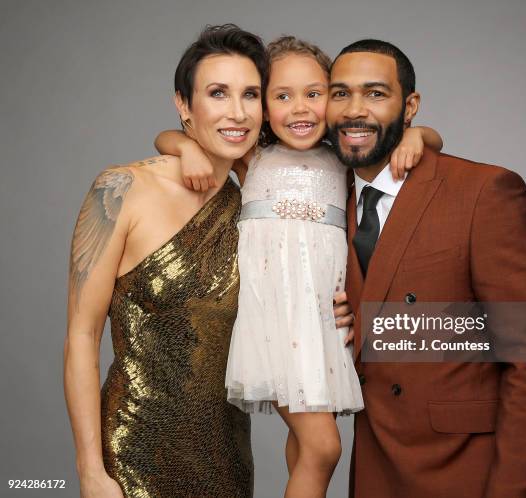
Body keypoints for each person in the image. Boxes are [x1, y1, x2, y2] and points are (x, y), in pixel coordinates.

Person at [154, 36, 443, 498]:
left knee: (306, 447)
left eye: (314, 93)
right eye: (282, 96)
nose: (300, 108)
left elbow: (431, 137)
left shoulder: (344, 160)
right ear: (263, 107)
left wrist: (415, 134)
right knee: (324, 447)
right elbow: (169, 136)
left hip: (322, 323)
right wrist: (185, 148)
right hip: (273, 319)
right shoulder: (252, 159)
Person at [325, 39, 526, 497]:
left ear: (409, 105)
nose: (355, 110)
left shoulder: (484, 191)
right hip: (376, 466)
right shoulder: (325, 198)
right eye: (340, 93)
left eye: (375, 94)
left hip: (467, 470)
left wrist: (514, 490)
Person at [64, 25, 268, 497]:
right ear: (184, 105)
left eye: (251, 95)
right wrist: (90, 472)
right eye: (218, 93)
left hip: (227, 459)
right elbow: (81, 335)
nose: (237, 112)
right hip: (134, 455)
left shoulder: (258, 202)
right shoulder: (121, 190)